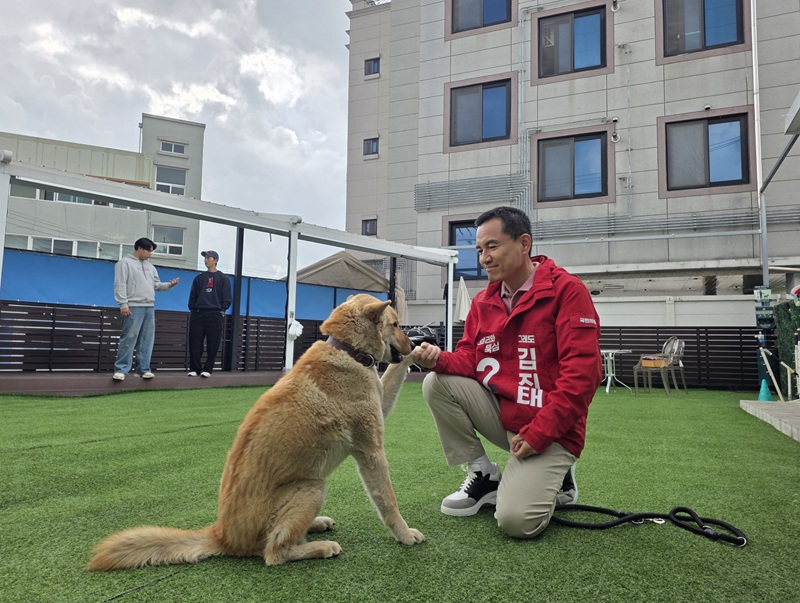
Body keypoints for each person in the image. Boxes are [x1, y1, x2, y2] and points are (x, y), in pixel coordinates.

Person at [412, 206, 602, 539]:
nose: (484, 258)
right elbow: (470, 359)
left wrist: (539, 434)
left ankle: (561, 477)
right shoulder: (483, 302)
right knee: (436, 383)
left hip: (552, 430)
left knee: (516, 522)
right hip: (506, 416)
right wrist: (437, 359)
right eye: (479, 250)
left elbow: (582, 377)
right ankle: (484, 475)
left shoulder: (567, 291)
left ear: (524, 243)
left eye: (492, 246)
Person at [113, 238, 180, 381]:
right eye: (148, 251)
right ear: (139, 248)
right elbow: (120, 284)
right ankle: (121, 369)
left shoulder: (151, 267)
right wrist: (123, 304)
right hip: (133, 306)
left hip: (149, 306)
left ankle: (143, 369)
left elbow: (156, 285)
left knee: (146, 340)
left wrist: (169, 285)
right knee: (129, 338)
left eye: (151, 251)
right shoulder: (124, 263)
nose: (150, 254)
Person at [187, 250, 232, 377]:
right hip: (198, 313)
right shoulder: (199, 278)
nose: (206, 260)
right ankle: (195, 368)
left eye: (209, 257)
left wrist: (222, 311)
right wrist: (193, 309)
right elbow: (193, 295)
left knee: (213, 343)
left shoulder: (223, 278)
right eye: (205, 258)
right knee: (195, 342)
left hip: (215, 314)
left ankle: (208, 369)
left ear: (216, 260)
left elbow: (227, 297)